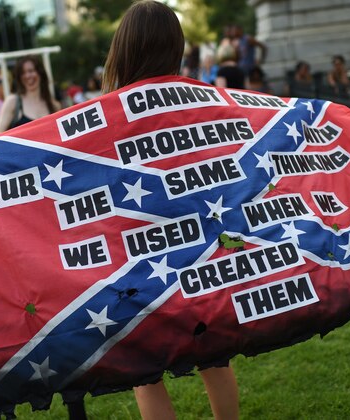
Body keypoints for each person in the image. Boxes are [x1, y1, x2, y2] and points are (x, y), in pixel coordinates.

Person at [102, 2, 240, 419]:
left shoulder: (107, 114)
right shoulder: (200, 101)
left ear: (123, 47)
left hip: (140, 254)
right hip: (199, 249)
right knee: (214, 357)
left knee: (146, 374)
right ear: (175, 46)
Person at [0, 55, 61, 135]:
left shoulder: (54, 106)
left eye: (31, 71)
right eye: (23, 73)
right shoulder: (12, 102)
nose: (27, 76)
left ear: (40, 73)